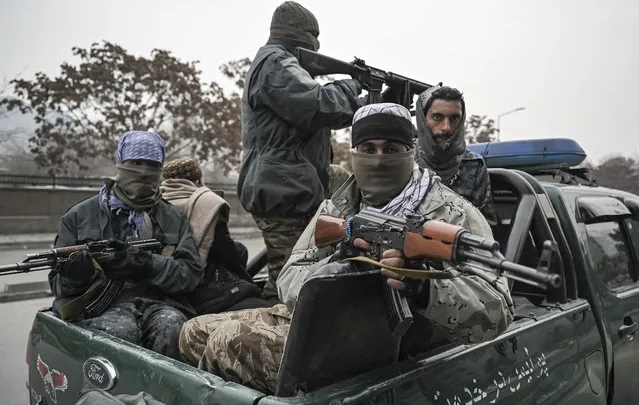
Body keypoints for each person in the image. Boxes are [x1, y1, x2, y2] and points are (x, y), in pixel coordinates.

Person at [179, 103, 513, 392]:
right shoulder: (337, 208)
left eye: (392, 148)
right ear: (353, 153)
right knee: (192, 331)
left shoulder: (452, 213)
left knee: (228, 343)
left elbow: (498, 310)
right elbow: (289, 277)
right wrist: (339, 260)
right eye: (368, 148)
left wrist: (425, 288)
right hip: (327, 322)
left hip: (396, 343)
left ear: (411, 151)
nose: (379, 158)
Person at [236, 1, 364, 301]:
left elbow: (319, 112)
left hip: (286, 187)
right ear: (305, 38)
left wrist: (366, 105)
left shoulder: (277, 62)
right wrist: (354, 87)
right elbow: (315, 105)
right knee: (288, 285)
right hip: (283, 191)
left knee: (288, 275)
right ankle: (259, 340)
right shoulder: (275, 63)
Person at [48, 131, 202, 361]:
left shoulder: (172, 218)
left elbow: (189, 275)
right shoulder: (80, 216)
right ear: (120, 164)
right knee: (118, 332)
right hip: (99, 306)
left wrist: (146, 264)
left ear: (160, 169)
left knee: (172, 327)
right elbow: (58, 286)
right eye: (135, 163)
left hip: (158, 303)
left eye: (151, 165)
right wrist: (75, 276)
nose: (143, 171)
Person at [160, 157, 268, 313]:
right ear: (198, 180)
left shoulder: (156, 202)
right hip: (205, 289)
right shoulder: (207, 203)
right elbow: (227, 253)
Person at [414, 84, 497, 223]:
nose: (446, 127)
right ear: (423, 119)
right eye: (437, 118)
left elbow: (486, 226)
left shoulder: (473, 165)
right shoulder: (404, 160)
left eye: (454, 119)